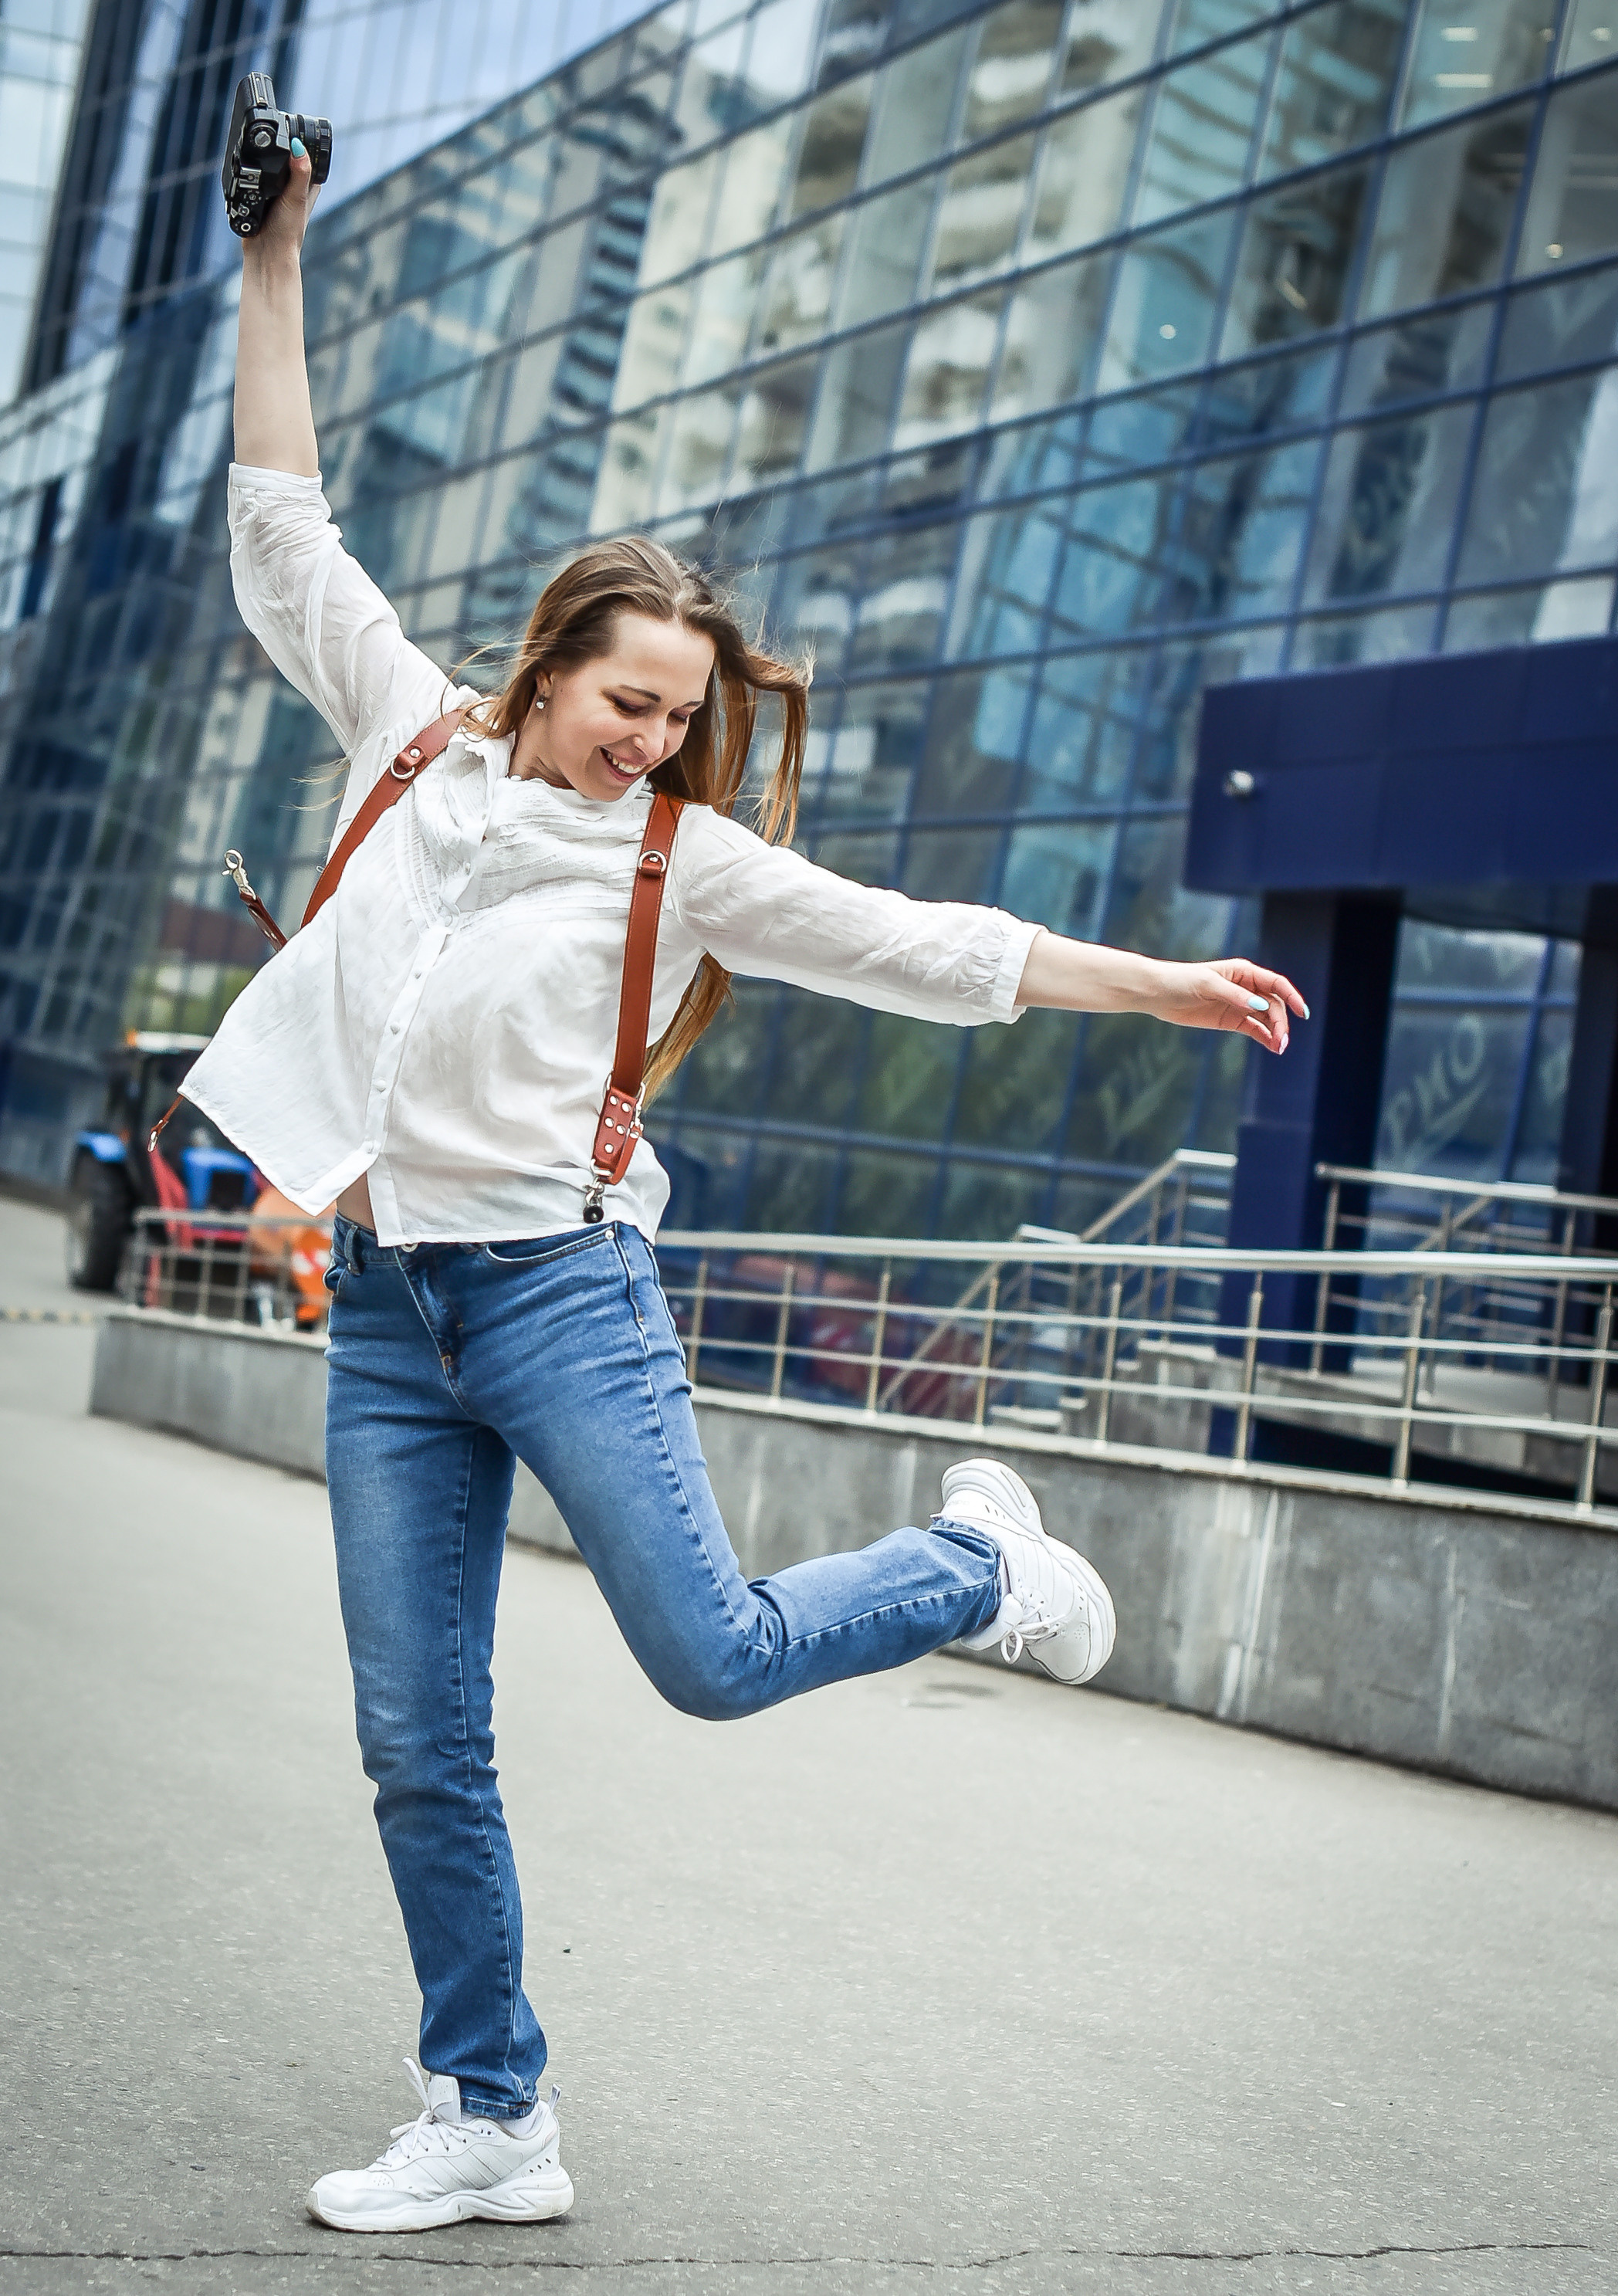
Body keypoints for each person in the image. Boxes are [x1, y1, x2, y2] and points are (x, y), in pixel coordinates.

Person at [185, 145, 1307, 2237]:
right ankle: (491, 2110)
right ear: (543, 671)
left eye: (682, 718)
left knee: (708, 1655)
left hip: (561, 1295)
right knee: (417, 1736)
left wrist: (1156, 981)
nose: (653, 740)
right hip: (395, 1308)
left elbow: (920, 943)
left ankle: (975, 1563)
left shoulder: (679, 863)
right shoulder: (408, 740)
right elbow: (279, 524)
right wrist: (277, 257)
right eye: (629, 702)